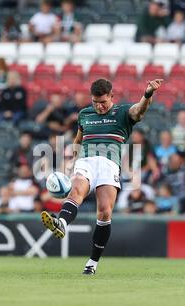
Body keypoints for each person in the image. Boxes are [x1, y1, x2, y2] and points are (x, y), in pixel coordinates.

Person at [41, 77, 163, 274]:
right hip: (86, 161)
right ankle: (61, 223)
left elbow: (139, 109)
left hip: (109, 164)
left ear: (111, 96)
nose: (98, 106)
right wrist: (71, 161)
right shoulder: (84, 114)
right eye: (95, 102)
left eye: (103, 102)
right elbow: (78, 139)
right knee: (76, 192)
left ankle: (92, 263)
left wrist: (148, 93)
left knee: (104, 212)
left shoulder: (123, 112)